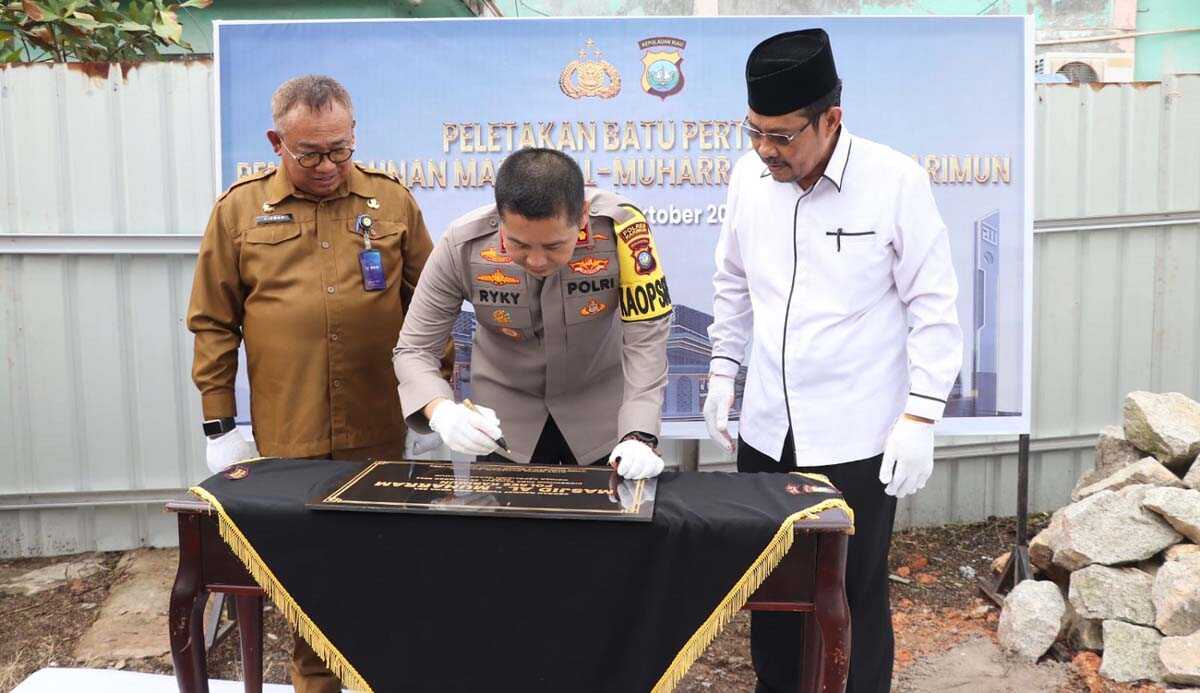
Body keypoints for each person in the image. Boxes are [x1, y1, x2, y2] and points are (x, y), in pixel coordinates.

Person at [702, 29, 964, 693]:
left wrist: (922, 415)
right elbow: (731, 283)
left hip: (857, 432)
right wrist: (722, 373)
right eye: (754, 131)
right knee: (770, 585)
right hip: (767, 427)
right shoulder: (748, 179)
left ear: (832, 119)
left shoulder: (895, 182)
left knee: (853, 592)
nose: (765, 149)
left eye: (783, 135)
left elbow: (933, 305)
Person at [186, 74, 444, 693]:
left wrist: (431, 408)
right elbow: (213, 322)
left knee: (389, 570)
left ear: (354, 135)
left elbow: (432, 311)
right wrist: (219, 422)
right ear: (277, 140)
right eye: (309, 153)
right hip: (290, 432)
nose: (327, 165)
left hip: (381, 426)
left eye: (339, 149)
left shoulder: (391, 204)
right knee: (308, 581)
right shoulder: (239, 212)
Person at [393, 147, 671, 479]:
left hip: (602, 425)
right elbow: (415, 349)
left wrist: (639, 433)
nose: (537, 261)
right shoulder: (462, 244)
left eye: (554, 246)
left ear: (582, 215)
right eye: (519, 245)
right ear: (499, 216)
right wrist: (440, 410)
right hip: (502, 430)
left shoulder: (623, 232)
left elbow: (646, 338)